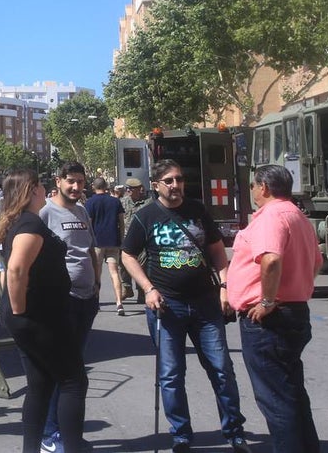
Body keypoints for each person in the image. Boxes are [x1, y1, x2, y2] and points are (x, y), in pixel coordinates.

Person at [121, 159, 250, 453]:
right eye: (169, 180)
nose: (176, 185)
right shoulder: (146, 216)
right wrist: (148, 289)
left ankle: (234, 431)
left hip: (206, 306)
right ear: (155, 185)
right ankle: (181, 434)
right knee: (170, 375)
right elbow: (128, 255)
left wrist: (226, 288)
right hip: (167, 308)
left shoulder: (198, 211)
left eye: (179, 179)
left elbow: (218, 252)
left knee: (221, 370)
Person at [228, 165, 322, 453]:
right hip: (293, 312)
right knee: (291, 391)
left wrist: (267, 301)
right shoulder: (297, 215)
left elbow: (270, 260)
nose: (253, 192)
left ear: (264, 188)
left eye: (254, 186)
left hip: (271, 320)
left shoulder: (271, 216)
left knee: (276, 398)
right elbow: (315, 263)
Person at [0, 169, 87, 453]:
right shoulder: (31, 225)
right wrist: (20, 311)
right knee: (73, 382)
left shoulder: (21, 222)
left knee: (40, 385)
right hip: (39, 318)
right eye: (40, 185)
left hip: (36, 316)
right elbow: (16, 269)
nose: (45, 189)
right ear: (31, 190)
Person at [38, 162, 97, 453]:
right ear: (58, 180)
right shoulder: (45, 212)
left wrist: (97, 286)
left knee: (74, 371)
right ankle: (51, 434)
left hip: (87, 299)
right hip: (63, 301)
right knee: (64, 372)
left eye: (80, 182)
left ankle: (70, 433)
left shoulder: (82, 210)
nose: (76, 187)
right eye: (71, 181)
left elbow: (88, 251)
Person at [85, 176, 127, 316]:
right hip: (113, 241)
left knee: (97, 274)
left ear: (93, 187)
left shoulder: (89, 203)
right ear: (106, 186)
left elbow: (88, 224)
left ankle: (96, 302)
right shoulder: (115, 202)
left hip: (96, 242)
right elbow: (121, 222)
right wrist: (121, 240)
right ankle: (119, 303)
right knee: (115, 273)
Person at [119, 177, 148, 300]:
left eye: (132, 188)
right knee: (124, 265)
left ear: (139, 189)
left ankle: (141, 290)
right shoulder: (122, 202)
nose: (129, 190)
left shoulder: (147, 202)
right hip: (126, 238)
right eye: (128, 188)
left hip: (142, 239)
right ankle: (127, 288)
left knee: (142, 265)